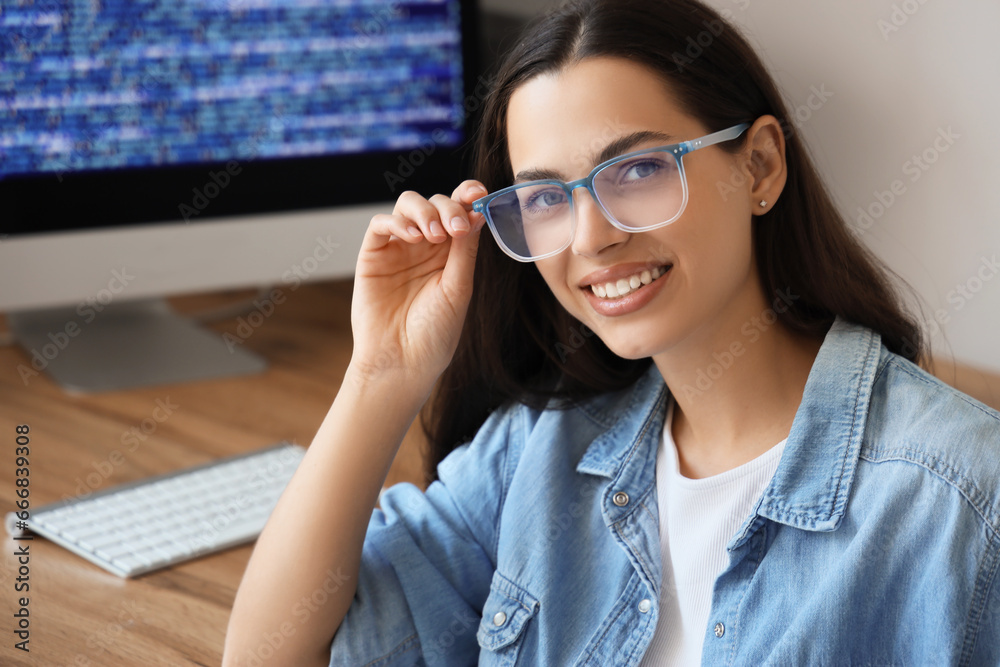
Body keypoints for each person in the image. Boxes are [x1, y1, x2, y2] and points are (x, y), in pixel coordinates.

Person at [223, 0, 1000, 664]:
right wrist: (380, 375)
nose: (591, 239)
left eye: (638, 171)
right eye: (546, 197)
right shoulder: (537, 455)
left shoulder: (958, 498)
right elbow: (272, 651)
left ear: (759, 166)